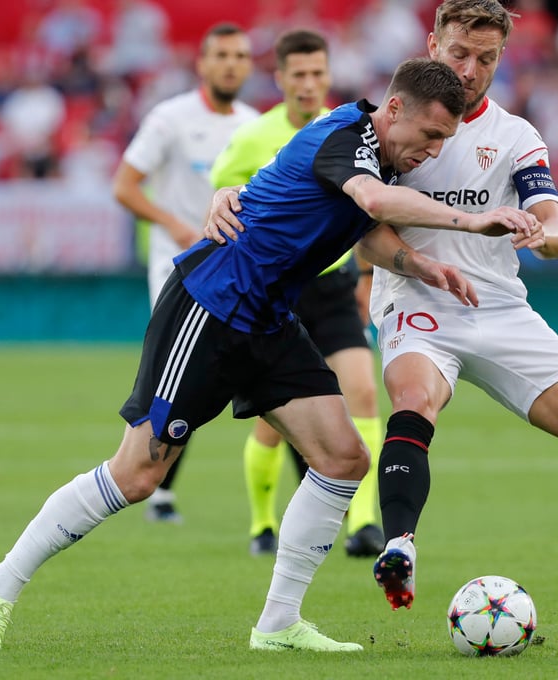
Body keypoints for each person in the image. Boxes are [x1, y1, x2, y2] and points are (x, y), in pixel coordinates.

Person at [0, 57, 539, 654]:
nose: (435, 150)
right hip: (212, 305)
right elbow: (370, 200)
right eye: (432, 135)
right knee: (138, 474)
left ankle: (279, 623)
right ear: (394, 109)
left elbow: (362, 225)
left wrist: (420, 265)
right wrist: (474, 222)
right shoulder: (346, 137)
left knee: (343, 458)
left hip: (267, 320)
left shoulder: (382, 156)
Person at [210, 0, 558, 650]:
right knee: (414, 400)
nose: (471, 70)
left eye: (487, 59)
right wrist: (228, 194)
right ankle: (400, 544)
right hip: (414, 299)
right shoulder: (392, 123)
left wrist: (548, 237)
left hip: (498, 306)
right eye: (459, 54)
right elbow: (352, 221)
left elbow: (552, 219)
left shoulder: (515, 136)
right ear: (432, 45)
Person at [207, 29, 385, 558]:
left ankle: (363, 523)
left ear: (328, 76)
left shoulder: (351, 132)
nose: (309, 84)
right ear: (281, 78)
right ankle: (263, 523)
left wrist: (366, 278)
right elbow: (222, 201)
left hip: (332, 289)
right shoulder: (252, 139)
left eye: (318, 73)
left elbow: (367, 213)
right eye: (299, 74)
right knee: (275, 424)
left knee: (364, 392)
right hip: (278, 293)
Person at [112, 22, 258, 523]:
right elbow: (125, 185)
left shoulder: (254, 126)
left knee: (223, 373)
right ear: (202, 63)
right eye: (222, 55)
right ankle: (153, 484)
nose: (231, 65)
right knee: (180, 373)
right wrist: (174, 225)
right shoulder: (170, 119)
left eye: (240, 56)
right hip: (177, 269)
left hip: (235, 271)